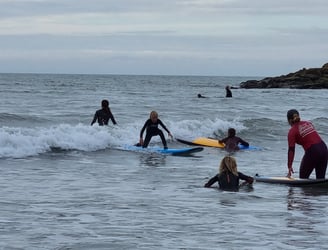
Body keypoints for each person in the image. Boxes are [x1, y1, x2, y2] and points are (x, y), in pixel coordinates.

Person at [286, 109, 327, 179]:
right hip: (324, 149)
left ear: (289, 121)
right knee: (320, 180)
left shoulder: (292, 132)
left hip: (313, 151)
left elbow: (291, 150)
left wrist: (289, 166)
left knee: (303, 178)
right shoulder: (308, 123)